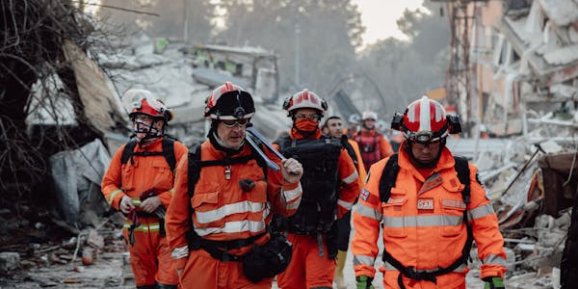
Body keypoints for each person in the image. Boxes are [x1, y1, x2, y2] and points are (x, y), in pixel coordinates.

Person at [351, 96, 507, 289]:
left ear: (443, 140)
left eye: (432, 143)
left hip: (449, 284)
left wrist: (493, 272)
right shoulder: (382, 174)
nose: (425, 150)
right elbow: (365, 227)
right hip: (400, 283)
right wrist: (363, 274)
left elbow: (486, 226)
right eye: (419, 143)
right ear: (407, 139)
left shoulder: (464, 174)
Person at [165, 82, 304, 289]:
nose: (238, 130)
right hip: (203, 269)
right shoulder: (193, 162)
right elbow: (176, 220)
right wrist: (181, 266)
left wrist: (292, 184)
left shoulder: (262, 159)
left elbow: (285, 210)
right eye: (230, 123)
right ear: (214, 122)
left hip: (251, 270)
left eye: (243, 123)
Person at [275, 89, 362, 289]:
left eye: (312, 116)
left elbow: (353, 184)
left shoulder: (334, 149)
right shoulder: (278, 149)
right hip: (289, 235)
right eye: (302, 115)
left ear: (319, 117)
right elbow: (268, 188)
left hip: (320, 236)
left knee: (320, 285)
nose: (307, 120)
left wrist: (336, 211)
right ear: (292, 116)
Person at [101, 88, 188, 289]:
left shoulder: (175, 151)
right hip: (136, 234)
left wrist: (161, 200)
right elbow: (108, 184)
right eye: (136, 119)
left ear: (158, 123)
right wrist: (119, 199)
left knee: (169, 284)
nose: (137, 124)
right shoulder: (126, 152)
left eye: (143, 119)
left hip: (168, 232)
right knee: (145, 285)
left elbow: (189, 186)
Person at [323, 115, 366, 289]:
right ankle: (327, 271)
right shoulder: (320, 145)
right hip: (324, 199)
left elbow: (359, 169)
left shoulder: (351, 145)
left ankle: (338, 272)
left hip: (345, 199)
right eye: (333, 124)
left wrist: (362, 193)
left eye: (340, 124)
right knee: (325, 236)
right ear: (325, 129)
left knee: (344, 234)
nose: (337, 127)